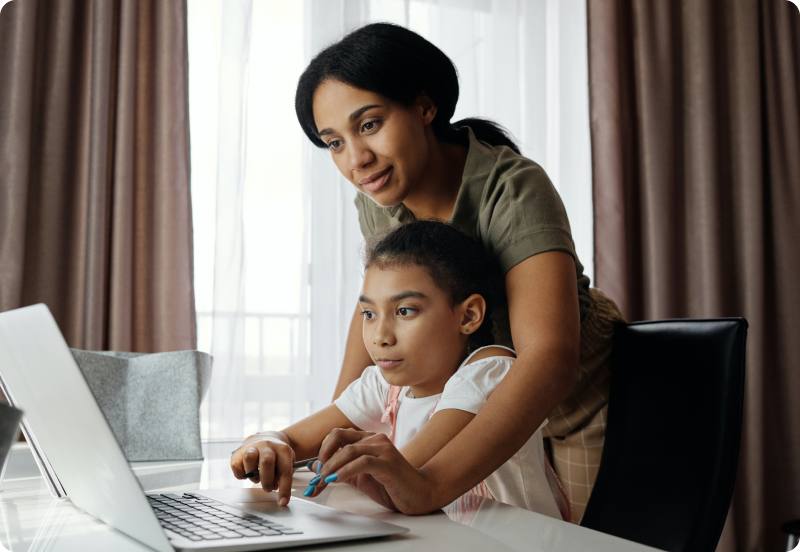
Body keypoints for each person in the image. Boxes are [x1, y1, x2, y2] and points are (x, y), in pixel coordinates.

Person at [280, 22, 624, 520]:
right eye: (334, 142)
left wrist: (430, 482)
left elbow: (549, 359)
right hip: (469, 400)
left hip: (571, 402)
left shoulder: (513, 187)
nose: (356, 159)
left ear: (424, 107)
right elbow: (374, 315)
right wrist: (340, 438)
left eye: (369, 124)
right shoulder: (378, 197)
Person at [231, 221, 570, 520]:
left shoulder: (490, 371)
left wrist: (344, 463)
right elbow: (292, 438)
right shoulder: (385, 385)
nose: (380, 336)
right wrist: (266, 444)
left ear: (468, 316)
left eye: (405, 311)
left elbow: (406, 476)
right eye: (369, 314)